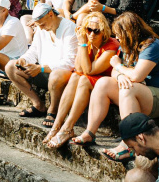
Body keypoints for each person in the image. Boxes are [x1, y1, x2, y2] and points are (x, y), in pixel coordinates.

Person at [82, 12, 159, 161]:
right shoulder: (127, 46)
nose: (117, 38)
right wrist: (120, 74)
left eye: (119, 34)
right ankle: (90, 132)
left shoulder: (151, 45)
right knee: (103, 83)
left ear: (129, 32)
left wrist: (118, 66)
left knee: (128, 88)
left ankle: (128, 145)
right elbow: (114, 73)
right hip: (143, 94)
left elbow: (136, 76)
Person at [43, 11, 118, 148]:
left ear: (104, 31)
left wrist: (82, 45)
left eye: (96, 31)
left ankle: (67, 128)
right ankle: (57, 126)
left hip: (107, 84)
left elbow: (89, 71)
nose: (91, 34)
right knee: (76, 76)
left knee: (83, 78)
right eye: (88, 30)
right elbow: (78, 68)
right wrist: (81, 44)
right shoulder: (87, 42)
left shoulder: (111, 46)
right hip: (92, 80)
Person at [6, 3, 76, 127]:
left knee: (55, 75)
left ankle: (53, 110)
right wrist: (23, 60)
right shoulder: (41, 28)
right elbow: (34, 51)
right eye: (39, 26)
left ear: (51, 15)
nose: (42, 28)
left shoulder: (69, 27)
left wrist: (42, 68)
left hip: (62, 77)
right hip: (43, 72)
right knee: (10, 66)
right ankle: (38, 105)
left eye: (42, 24)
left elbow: (70, 62)